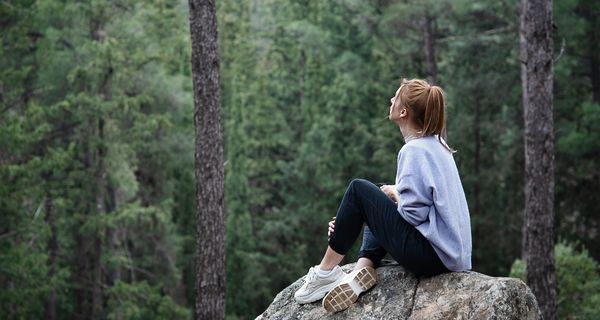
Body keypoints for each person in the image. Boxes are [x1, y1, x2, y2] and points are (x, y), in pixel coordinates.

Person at [293, 78, 472, 313]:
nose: (391, 100)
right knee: (378, 193)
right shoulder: (437, 145)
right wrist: (360, 216)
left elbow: (412, 214)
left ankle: (324, 273)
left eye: (395, 97)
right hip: (449, 255)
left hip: (431, 257)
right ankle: (362, 270)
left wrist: (379, 204)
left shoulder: (413, 151)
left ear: (404, 111)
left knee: (360, 190)